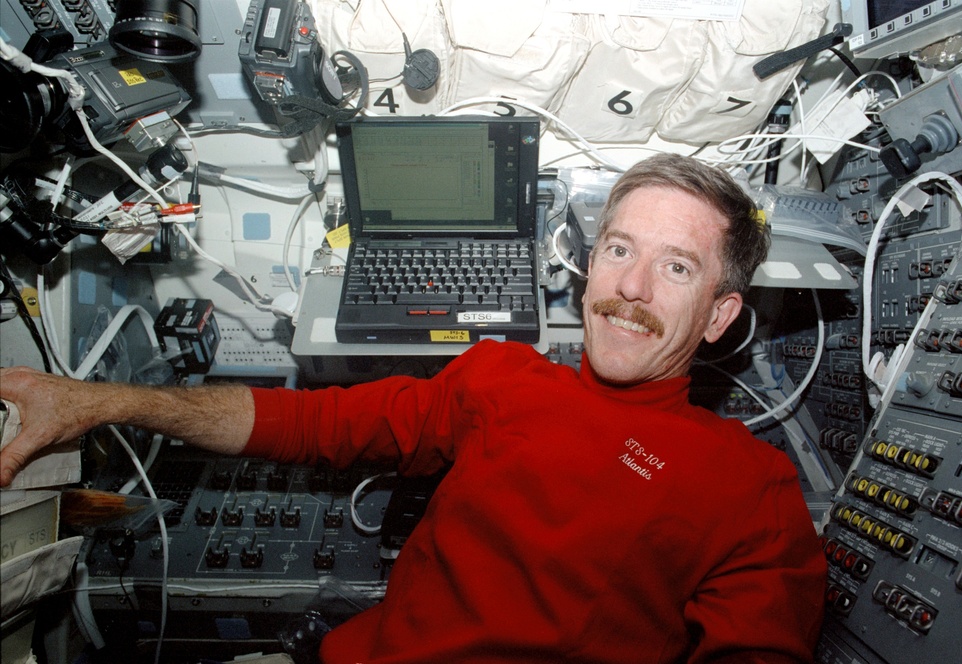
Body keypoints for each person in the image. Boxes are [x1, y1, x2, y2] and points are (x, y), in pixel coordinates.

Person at [0, 152, 827, 663]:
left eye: (676, 268)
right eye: (619, 249)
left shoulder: (750, 488)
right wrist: (95, 400)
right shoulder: (502, 378)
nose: (631, 289)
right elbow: (310, 425)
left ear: (721, 314)